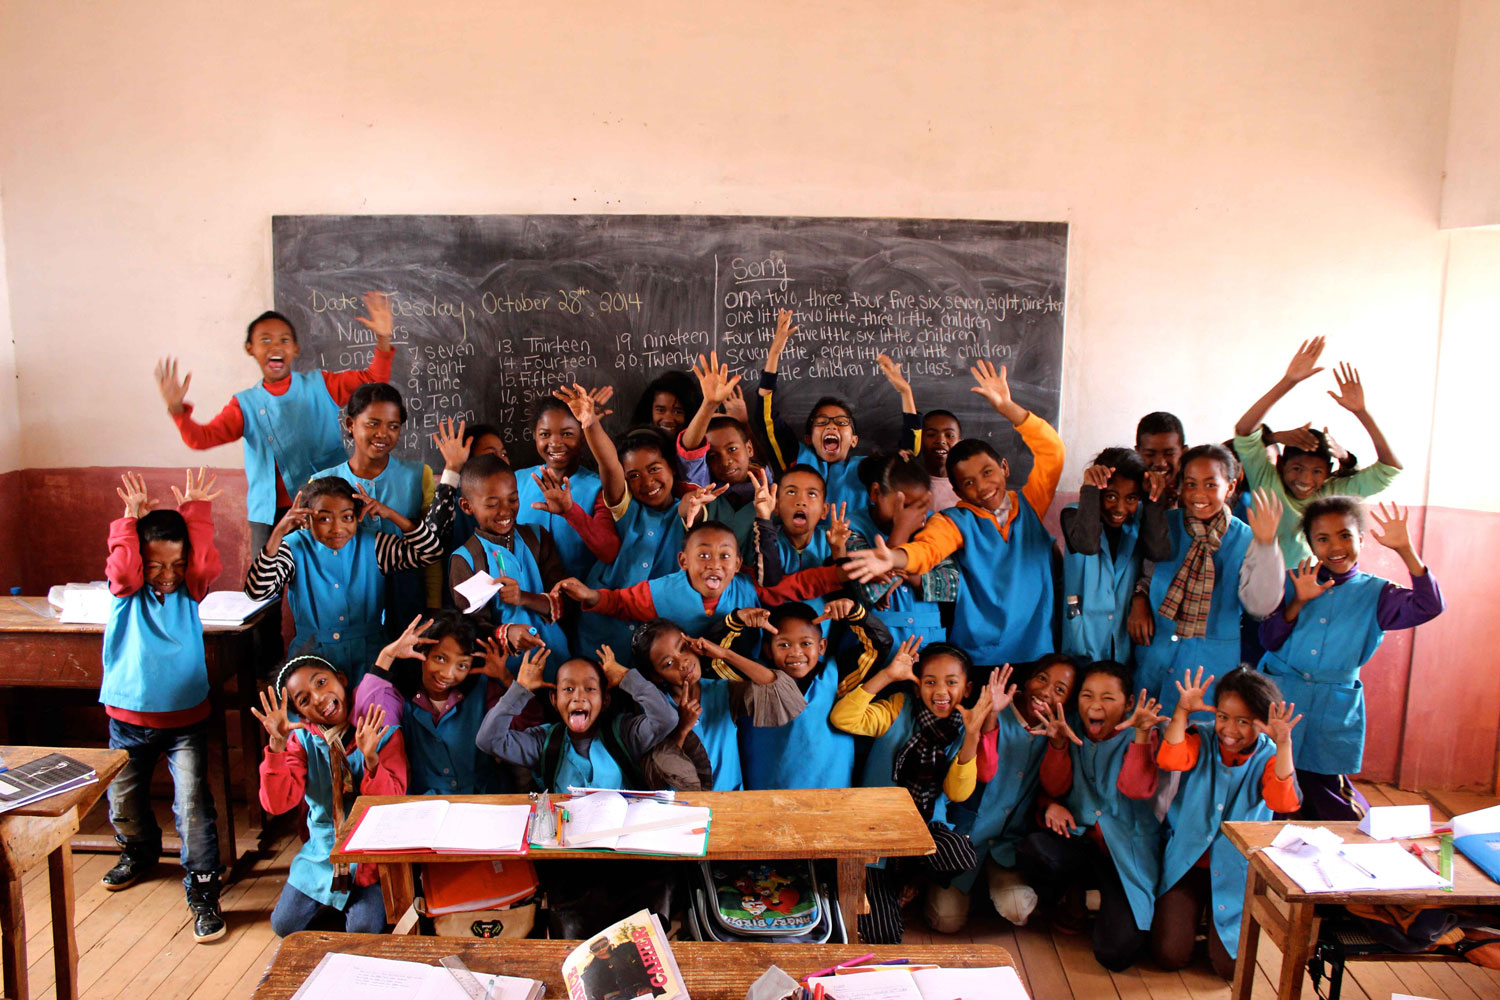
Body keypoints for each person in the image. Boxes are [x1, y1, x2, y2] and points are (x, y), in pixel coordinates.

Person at [843, 361, 1064, 669]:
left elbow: (1052, 451)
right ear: (958, 492)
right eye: (969, 483)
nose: (983, 487)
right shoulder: (952, 522)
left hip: (1036, 650)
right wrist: (894, 559)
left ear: (1004, 468)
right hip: (980, 656)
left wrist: (1009, 408)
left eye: (988, 472)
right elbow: (928, 549)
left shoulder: (1030, 504)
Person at [155, 293, 394, 553]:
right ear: (250, 349)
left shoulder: (321, 385)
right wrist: (177, 409)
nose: (275, 346)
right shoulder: (244, 405)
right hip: (269, 516)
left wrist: (383, 339)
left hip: (326, 508)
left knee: (323, 581)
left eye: (284, 340)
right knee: (266, 587)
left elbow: (373, 382)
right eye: (265, 340)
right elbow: (200, 438)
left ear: (295, 349)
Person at [99, 469, 227, 942]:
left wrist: (195, 515)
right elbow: (124, 568)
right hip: (127, 719)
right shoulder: (124, 591)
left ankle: (202, 887)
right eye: (155, 566)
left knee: (192, 806)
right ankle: (138, 851)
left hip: (184, 719)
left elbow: (201, 566)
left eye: (175, 565)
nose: (166, 575)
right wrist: (128, 521)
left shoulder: (190, 589)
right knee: (123, 802)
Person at [1259, 499, 1444, 820]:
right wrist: (1298, 601)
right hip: (1282, 697)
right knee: (1271, 781)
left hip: (1333, 706)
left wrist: (1405, 550)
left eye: (1345, 536)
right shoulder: (1293, 580)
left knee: (1327, 792)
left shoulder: (1378, 593)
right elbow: (1269, 639)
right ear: (1310, 542)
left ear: (1361, 537)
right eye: (1323, 538)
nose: (1335, 547)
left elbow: (1430, 606)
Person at [831, 641, 992, 943]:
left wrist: (971, 736)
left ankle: (911, 881)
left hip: (924, 829)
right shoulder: (899, 707)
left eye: (951, 683)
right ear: (918, 687)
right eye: (930, 682)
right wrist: (889, 676)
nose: (941, 691)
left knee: (959, 854)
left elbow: (958, 794)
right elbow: (844, 718)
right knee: (883, 936)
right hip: (875, 834)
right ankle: (887, 886)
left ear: (967, 689)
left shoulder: (964, 725)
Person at [1152, 667, 1301, 978]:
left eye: (1243, 721)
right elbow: (1170, 759)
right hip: (1187, 864)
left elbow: (1282, 802)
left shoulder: (1271, 753)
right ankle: (1194, 917)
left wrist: (1284, 744)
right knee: (1169, 955)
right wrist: (1181, 710)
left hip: (1236, 871)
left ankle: (1208, 922)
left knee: (1230, 968)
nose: (1229, 729)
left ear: (1261, 723)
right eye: (1223, 716)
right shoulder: (1200, 735)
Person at [1018, 659, 1165, 971]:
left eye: (1107, 698)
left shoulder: (1142, 735)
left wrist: (1140, 735)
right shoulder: (1066, 725)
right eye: (1087, 696)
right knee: (1035, 849)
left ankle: (1110, 907)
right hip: (1080, 841)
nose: (1095, 705)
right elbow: (1054, 787)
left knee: (1116, 953)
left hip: (1125, 854)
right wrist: (1057, 746)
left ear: (1127, 704)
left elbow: (1136, 789)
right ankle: (1072, 898)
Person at [1128, 445, 1284, 715]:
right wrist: (1139, 596)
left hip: (1208, 667)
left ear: (1231, 486)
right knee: (1144, 735)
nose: (1199, 494)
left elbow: (1260, 605)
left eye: (1211, 484)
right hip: (1156, 652)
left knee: (1194, 746)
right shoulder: (1165, 523)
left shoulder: (1249, 538)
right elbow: (1144, 573)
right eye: (1191, 484)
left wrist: (1267, 545)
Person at [255, 657, 405, 935]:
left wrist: (370, 758)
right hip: (323, 853)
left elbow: (392, 802)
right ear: (299, 714)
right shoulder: (301, 741)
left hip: (371, 855)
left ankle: (340, 903)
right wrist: (276, 749)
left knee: (363, 929)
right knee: (283, 925)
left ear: (342, 679)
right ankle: (331, 898)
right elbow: (277, 804)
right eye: (303, 699)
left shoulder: (378, 728)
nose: (319, 698)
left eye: (322, 683)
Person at [243, 476, 445, 683]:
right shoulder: (294, 547)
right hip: (312, 659)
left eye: (347, 517)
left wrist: (390, 514)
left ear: (356, 517)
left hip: (371, 656)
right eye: (324, 519)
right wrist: (278, 534)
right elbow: (258, 592)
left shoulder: (373, 543)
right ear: (306, 520)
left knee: (369, 712)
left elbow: (430, 553)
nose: (337, 529)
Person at [933, 654, 1080, 932]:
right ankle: (966, 889)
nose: (1045, 692)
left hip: (1007, 845)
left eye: (1059, 690)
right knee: (946, 920)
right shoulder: (995, 709)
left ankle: (988, 890)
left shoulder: (1061, 726)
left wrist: (1058, 744)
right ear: (1027, 680)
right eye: (1041, 679)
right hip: (967, 838)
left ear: (1068, 702)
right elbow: (983, 772)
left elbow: (1055, 786)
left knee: (1017, 908)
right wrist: (992, 715)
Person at [1231, 338, 1401, 567]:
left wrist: (1362, 413)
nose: (1305, 479)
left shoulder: (1331, 495)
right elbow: (1244, 431)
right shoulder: (1266, 480)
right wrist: (1288, 381)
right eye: (1297, 468)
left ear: (1329, 472)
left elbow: (1389, 468)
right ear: (1280, 464)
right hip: (1258, 584)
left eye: (1317, 471)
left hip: (1309, 588)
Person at [756, 308, 920, 509]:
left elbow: (907, 455)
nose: (831, 426)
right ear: (808, 438)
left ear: (854, 440)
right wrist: (774, 354)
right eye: (822, 422)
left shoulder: (866, 469)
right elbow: (766, 419)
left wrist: (906, 393)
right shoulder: (796, 458)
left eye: (841, 422)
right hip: (803, 539)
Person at [723, 600, 892, 790]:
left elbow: (879, 645)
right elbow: (716, 658)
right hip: (766, 797)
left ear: (822, 646)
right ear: (768, 650)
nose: (796, 652)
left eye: (806, 643)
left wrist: (855, 612)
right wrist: (736, 620)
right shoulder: (752, 678)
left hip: (833, 796)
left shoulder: (838, 677)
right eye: (784, 644)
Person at [630, 615, 806, 791]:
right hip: (681, 810)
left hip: (731, 803)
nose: (682, 662)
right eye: (668, 663)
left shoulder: (723, 691)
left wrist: (725, 654)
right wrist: (682, 729)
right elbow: (655, 776)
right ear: (656, 676)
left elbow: (779, 693)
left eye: (683, 648)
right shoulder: (653, 709)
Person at [353, 613, 518, 795]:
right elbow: (368, 708)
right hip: (425, 805)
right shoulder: (400, 696)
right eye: (440, 658)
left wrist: (506, 678)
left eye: (462, 666)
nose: (447, 674)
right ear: (423, 651)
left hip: (484, 799)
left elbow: (523, 727)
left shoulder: (483, 690)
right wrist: (386, 656)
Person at [311, 381, 435, 621]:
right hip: (341, 600)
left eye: (393, 426)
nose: (383, 434)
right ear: (350, 424)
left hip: (406, 599)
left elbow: (430, 548)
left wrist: (434, 604)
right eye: (373, 424)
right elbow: (311, 553)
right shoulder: (321, 483)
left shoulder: (419, 476)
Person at [475, 648, 678, 792]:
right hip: (566, 845)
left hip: (619, 844)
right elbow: (488, 740)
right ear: (554, 700)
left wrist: (627, 678)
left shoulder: (623, 733)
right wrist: (520, 690)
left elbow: (666, 718)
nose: (578, 696)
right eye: (568, 689)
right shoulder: (544, 742)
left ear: (605, 700)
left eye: (590, 689)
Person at [448, 453, 570, 666]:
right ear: (467, 506)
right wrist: (507, 633)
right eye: (492, 504)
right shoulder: (465, 559)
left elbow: (565, 600)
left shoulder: (537, 537)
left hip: (556, 659)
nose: (505, 511)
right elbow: (469, 628)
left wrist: (523, 597)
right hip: (504, 674)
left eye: (513, 499)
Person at [1060, 448, 1169, 662]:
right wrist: (1090, 489)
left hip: (1121, 646)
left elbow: (1159, 551)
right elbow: (1088, 544)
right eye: (1110, 496)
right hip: (1082, 643)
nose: (1119, 508)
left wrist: (1152, 500)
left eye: (1131, 498)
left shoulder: (1137, 521)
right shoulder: (1073, 514)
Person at [846, 453, 957, 649]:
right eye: (904, 506)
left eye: (920, 505)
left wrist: (907, 575)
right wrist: (901, 532)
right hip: (872, 647)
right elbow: (870, 591)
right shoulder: (850, 527)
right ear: (875, 493)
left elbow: (952, 586)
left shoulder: (933, 524)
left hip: (927, 642)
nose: (912, 515)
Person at [516, 398, 614, 579]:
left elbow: (609, 552)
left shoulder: (597, 489)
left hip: (581, 598)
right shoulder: (516, 482)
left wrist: (570, 511)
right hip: (525, 597)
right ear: (534, 435)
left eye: (567, 434)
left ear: (583, 437)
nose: (555, 443)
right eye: (545, 434)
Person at [1135, 411, 1185, 509]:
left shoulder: (1194, 489)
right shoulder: (1128, 487)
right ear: (1137, 453)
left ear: (1183, 453)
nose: (1160, 463)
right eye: (1150, 454)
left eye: (1169, 454)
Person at [917, 409, 962, 511]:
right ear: (919, 440)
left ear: (959, 443)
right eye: (931, 435)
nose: (941, 441)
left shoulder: (968, 484)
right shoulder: (910, 483)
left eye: (949, 435)